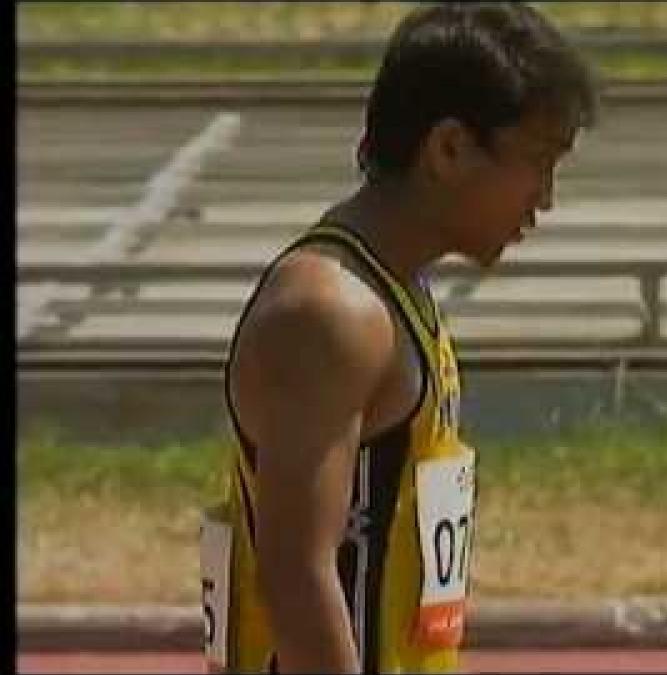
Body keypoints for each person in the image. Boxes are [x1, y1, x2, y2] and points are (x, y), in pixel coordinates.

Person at [200, 3, 597, 672]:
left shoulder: (394, 292)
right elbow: (296, 576)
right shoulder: (329, 313)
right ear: (448, 148)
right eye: (538, 161)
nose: (546, 198)